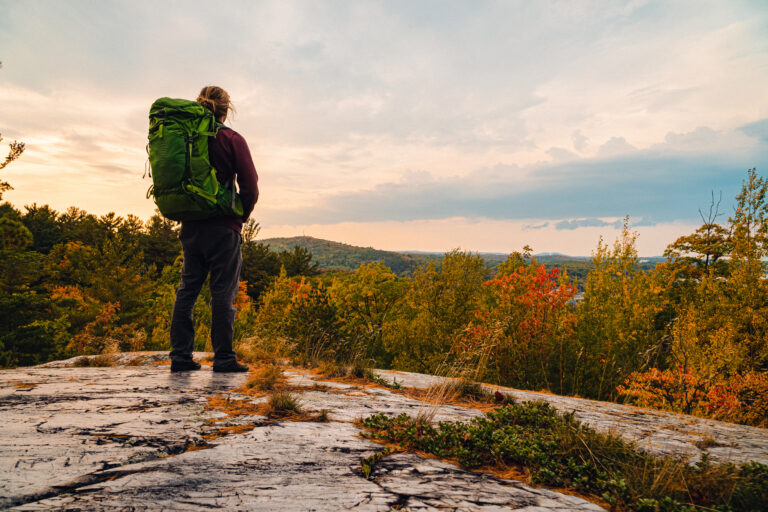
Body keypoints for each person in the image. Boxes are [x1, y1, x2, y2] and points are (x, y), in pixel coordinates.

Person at [169, 85, 259, 373]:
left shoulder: (186, 139)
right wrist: (241, 216)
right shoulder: (232, 139)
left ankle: (181, 358)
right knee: (223, 292)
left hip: (191, 226)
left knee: (187, 290)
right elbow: (250, 185)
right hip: (223, 227)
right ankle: (223, 359)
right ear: (226, 109)